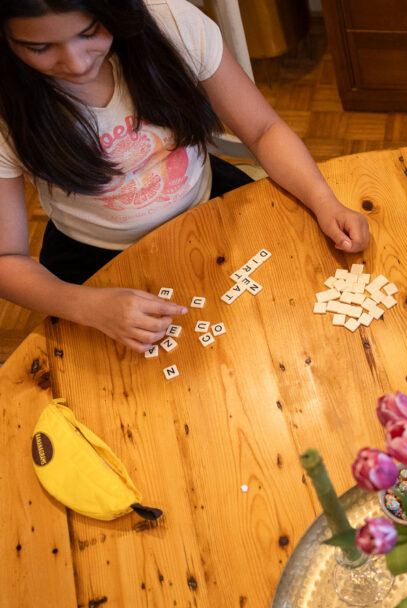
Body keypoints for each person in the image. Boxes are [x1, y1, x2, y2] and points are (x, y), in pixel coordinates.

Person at [0, 0, 369, 352]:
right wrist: (85, 305)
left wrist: (323, 199)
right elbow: (6, 259)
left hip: (209, 204)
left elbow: (262, 130)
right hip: (94, 257)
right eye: (40, 47)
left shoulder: (171, 24)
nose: (77, 64)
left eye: (90, 32)